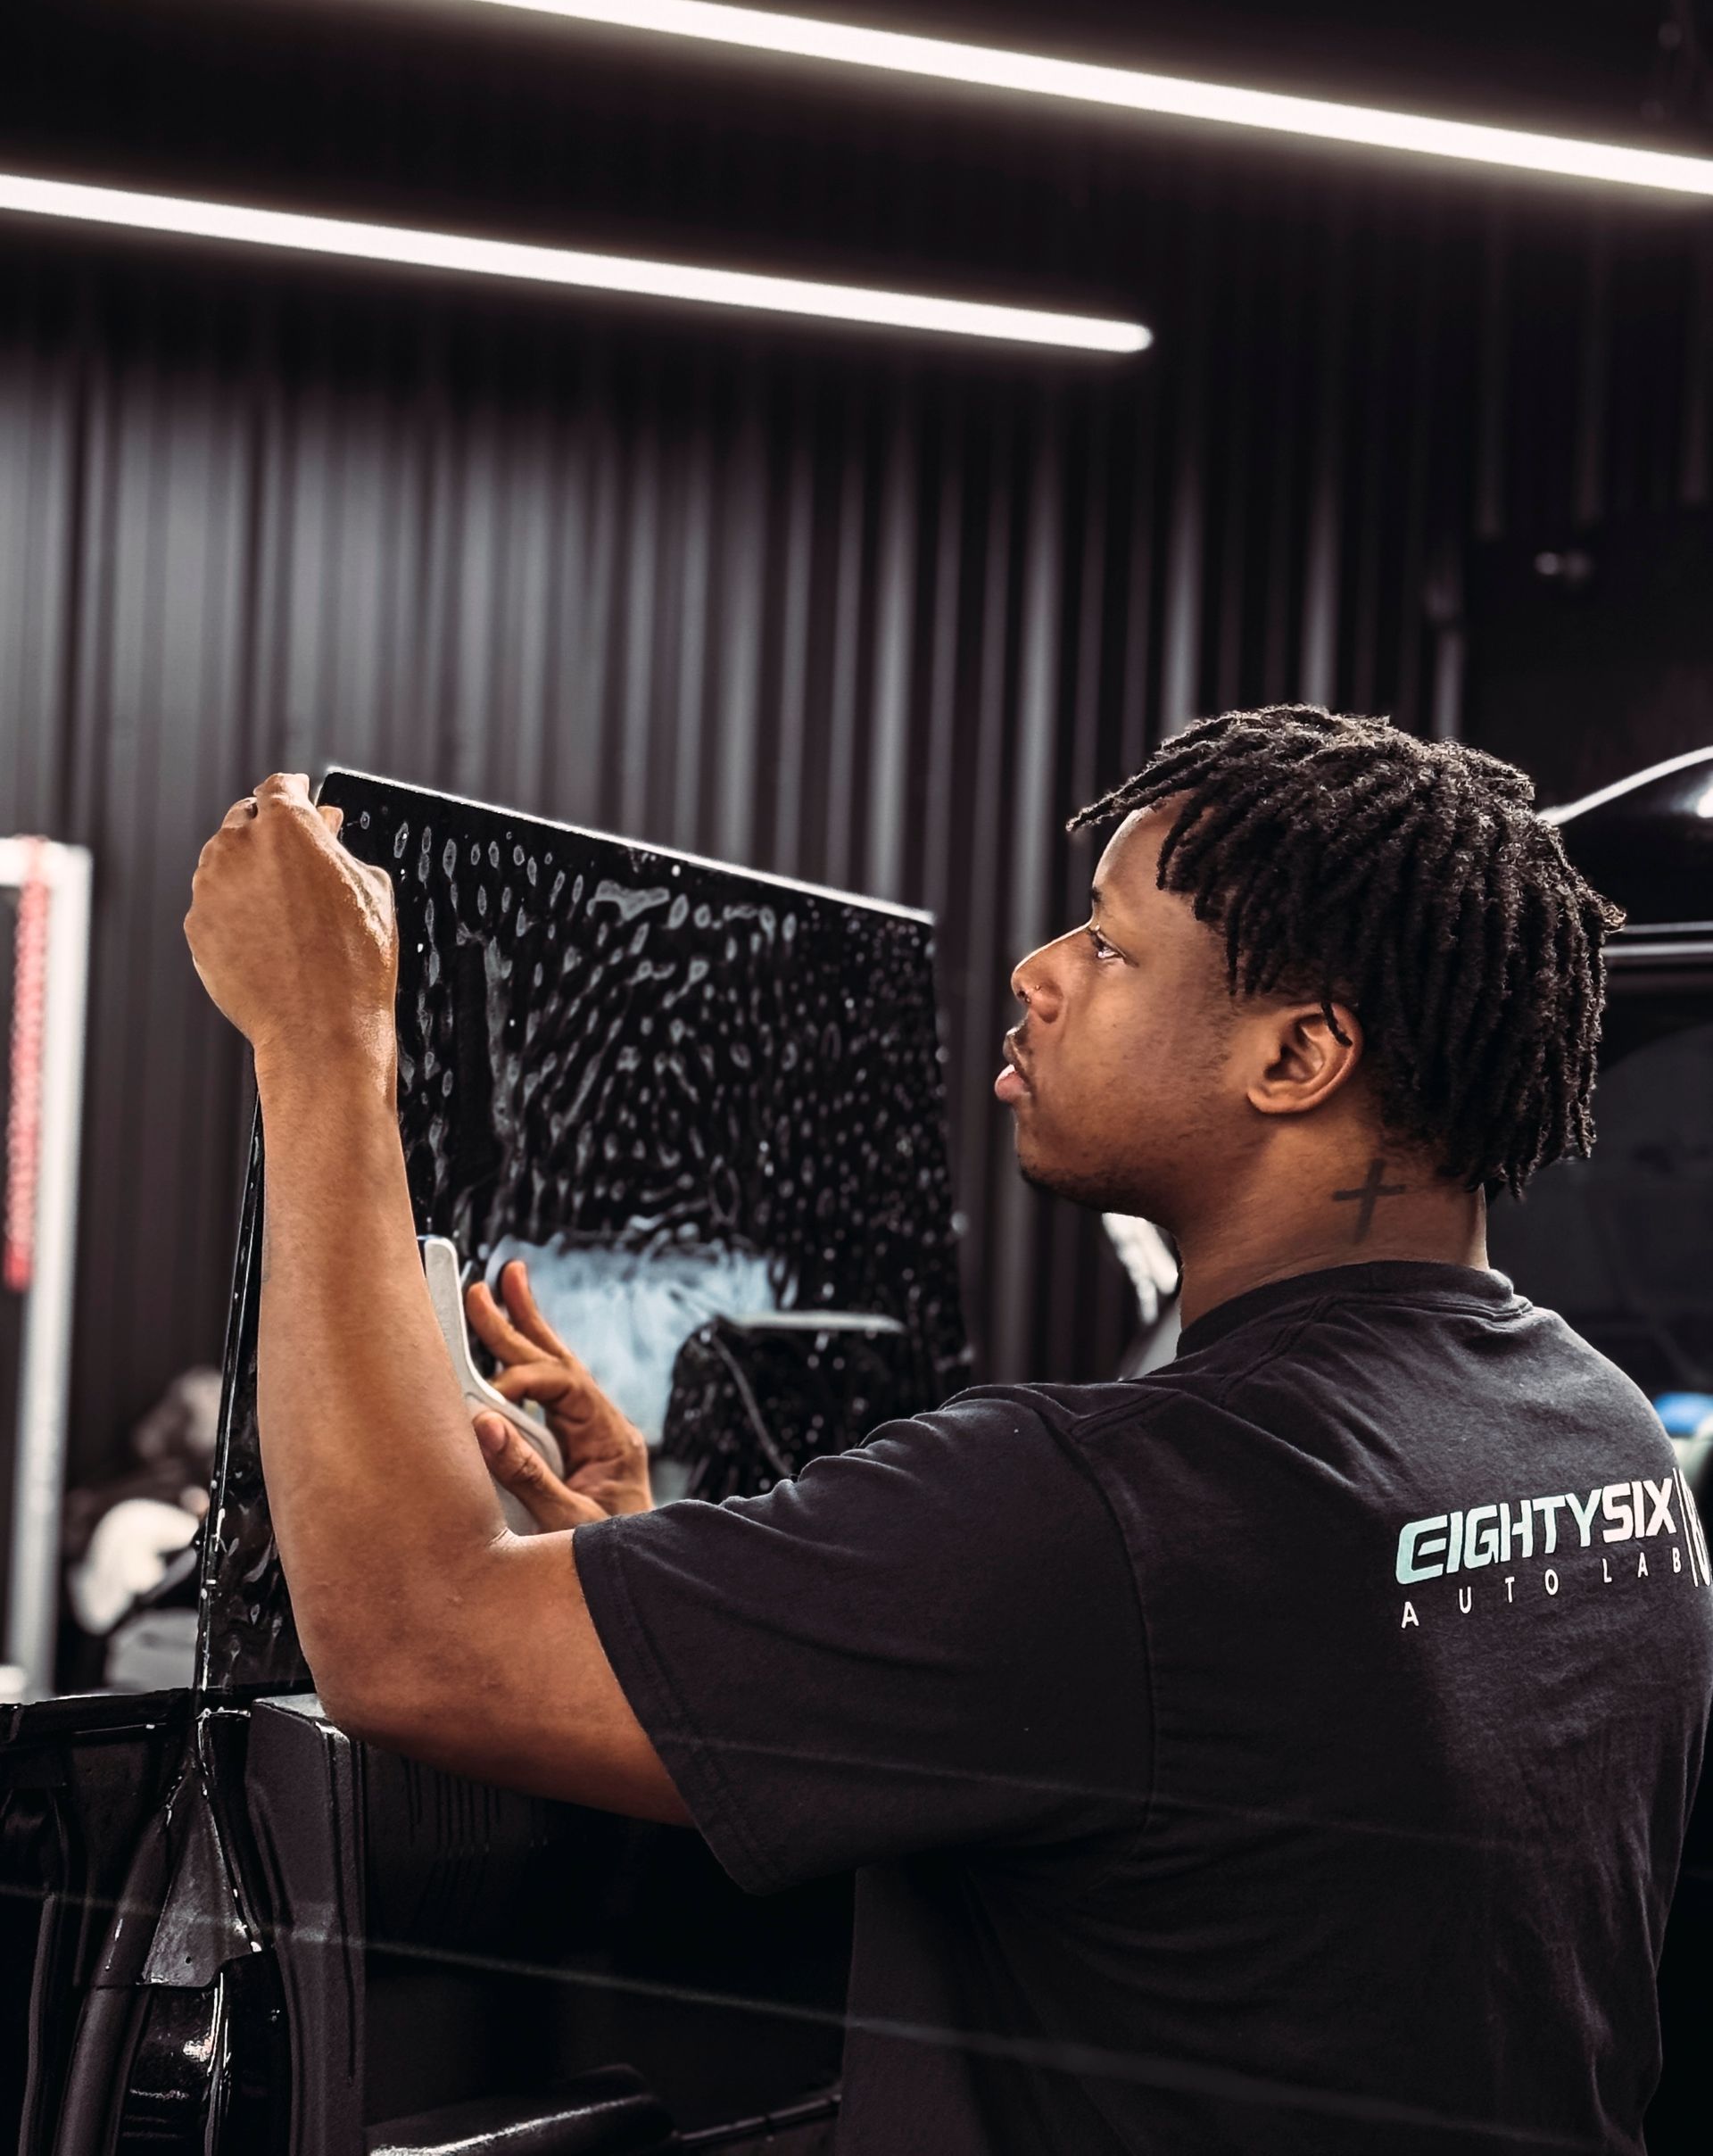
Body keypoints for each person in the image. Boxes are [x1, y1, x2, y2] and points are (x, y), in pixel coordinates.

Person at [183, 706, 1713, 2155]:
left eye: (1110, 946)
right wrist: (660, 1586)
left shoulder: (1127, 1508)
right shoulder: (1599, 1438)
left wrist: (325, 1045)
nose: (1041, 970)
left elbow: (406, 1639)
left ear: (1298, 1057)